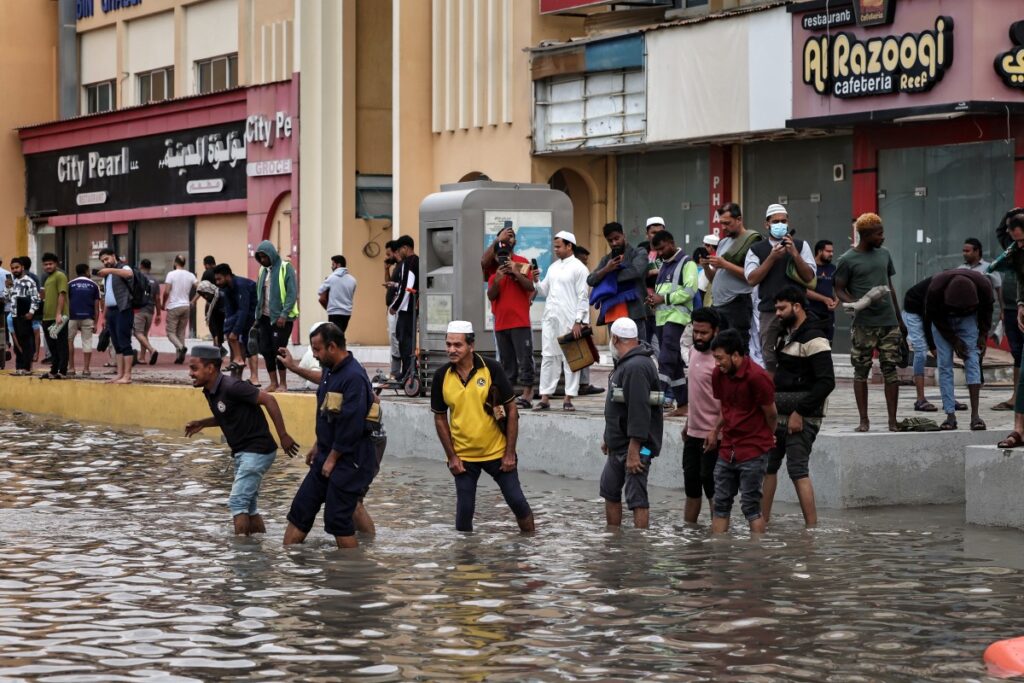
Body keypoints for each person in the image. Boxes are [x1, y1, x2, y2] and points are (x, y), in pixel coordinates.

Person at [276, 327, 387, 535]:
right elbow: (328, 413)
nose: (314, 355)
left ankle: (365, 548)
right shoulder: (331, 370)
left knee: (346, 510)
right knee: (301, 510)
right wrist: (318, 445)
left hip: (355, 451)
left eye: (317, 349)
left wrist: (333, 457)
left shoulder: (354, 376)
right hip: (329, 449)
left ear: (332, 347)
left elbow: (351, 425)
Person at [431, 320, 534, 533]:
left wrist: (510, 453)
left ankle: (530, 545)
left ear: (471, 345)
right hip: (464, 457)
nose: (451, 350)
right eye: (448, 344)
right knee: (464, 514)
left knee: (518, 503)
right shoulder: (441, 376)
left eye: (457, 345)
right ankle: (465, 554)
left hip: (497, 452)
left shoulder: (491, 368)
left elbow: (512, 410)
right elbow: (440, 418)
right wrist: (452, 457)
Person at [185, 346, 299, 535]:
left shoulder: (232, 386)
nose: (190, 374)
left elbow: (269, 400)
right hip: (244, 452)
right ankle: (256, 544)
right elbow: (227, 414)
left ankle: (240, 551)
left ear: (210, 368)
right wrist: (203, 423)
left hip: (256, 450)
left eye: (194, 368)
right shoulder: (210, 390)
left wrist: (283, 435)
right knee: (249, 505)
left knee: (237, 502)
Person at [762, 286, 835, 528]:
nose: (777, 313)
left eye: (781, 308)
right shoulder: (784, 334)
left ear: (797, 306)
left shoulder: (815, 338)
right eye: (776, 308)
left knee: (797, 469)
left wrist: (799, 412)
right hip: (779, 415)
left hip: (802, 417)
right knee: (768, 466)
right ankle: (760, 524)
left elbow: (827, 382)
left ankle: (811, 530)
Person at [834, 213, 907, 432]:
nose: (882, 237)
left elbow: (889, 286)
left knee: (890, 370)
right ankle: (863, 420)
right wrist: (856, 303)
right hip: (863, 323)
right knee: (861, 371)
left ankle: (892, 421)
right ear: (865, 235)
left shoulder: (885, 254)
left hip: (888, 322)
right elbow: (839, 288)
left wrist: (899, 319)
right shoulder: (847, 259)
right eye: (878, 234)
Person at [705, 329, 776, 535]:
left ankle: (757, 550)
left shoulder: (757, 377)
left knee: (751, 506)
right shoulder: (719, 374)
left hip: (753, 450)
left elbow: (771, 414)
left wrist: (767, 436)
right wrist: (715, 429)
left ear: (736, 355)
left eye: (720, 358)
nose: (717, 363)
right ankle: (718, 549)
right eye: (715, 358)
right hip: (728, 448)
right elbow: (727, 407)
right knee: (720, 503)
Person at [600, 317, 662, 529]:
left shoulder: (636, 367)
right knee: (609, 490)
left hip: (638, 447)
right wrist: (608, 437)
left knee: (636, 497)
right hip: (618, 443)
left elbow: (639, 410)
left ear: (615, 338)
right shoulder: (626, 363)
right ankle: (614, 541)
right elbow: (619, 405)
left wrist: (635, 450)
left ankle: (639, 545)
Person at [744, 204, 816, 374]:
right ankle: (772, 388)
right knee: (768, 355)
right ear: (767, 224)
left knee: (801, 351)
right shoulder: (756, 249)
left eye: (783, 221)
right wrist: (772, 258)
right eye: (775, 221)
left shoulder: (801, 245)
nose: (780, 225)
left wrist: (795, 254)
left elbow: (809, 276)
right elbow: (751, 279)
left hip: (798, 310)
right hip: (770, 310)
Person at [924, 270, 993, 432]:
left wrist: (983, 335)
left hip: (969, 319)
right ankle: (950, 415)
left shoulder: (984, 286)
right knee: (944, 364)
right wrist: (953, 340)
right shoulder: (935, 290)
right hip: (942, 319)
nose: (959, 313)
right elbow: (932, 317)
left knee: (973, 359)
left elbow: (987, 311)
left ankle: (975, 416)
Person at [533, 231, 590, 412]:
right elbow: (544, 291)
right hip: (551, 319)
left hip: (570, 320)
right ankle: (545, 397)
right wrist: (536, 280)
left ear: (569, 246)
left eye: (558, 246)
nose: (555, 250)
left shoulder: (579, 268)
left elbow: (583, 296)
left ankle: (568, 398)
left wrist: (579, 321)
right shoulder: (553, 267)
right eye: (555, 246)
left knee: (571, 358)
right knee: (548, 357)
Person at [487, 234, 537, 408]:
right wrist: (498, 280)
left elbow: (530, 287)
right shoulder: (494, 275)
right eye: (500, 256)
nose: (503, 259)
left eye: (506, 255)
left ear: (511, 254)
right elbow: (491, 296)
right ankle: (509, 395)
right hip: (502, 324)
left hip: (520, 322)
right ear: (495, 257)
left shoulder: (521, 266)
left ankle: (528, 393)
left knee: (525, 359)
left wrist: (515, 272)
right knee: (507, 362)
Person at [682, 307, 721, 524]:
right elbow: (696, 394)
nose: (698, 337)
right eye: (695, 331)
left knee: (712, 487)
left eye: (703, 333)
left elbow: (728, 402)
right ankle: (690, 534)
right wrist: (688, 423)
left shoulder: (720, 361)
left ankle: (719, 534)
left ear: (715, 331)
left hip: (715, 437)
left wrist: (716, 431)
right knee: (691, 486)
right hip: (693, 434)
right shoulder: (693, 352)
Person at [706, 203, 759, 348]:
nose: (723, 227)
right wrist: (705, 266)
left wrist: (725, 264)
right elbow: (714, 278)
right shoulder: (723, 242)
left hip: (737, 303)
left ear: (739, 219)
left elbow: (752, 277)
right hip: (718, 303)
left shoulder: (751, 240)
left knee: (738, 347)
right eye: (721, 223)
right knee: (720, 348)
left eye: (727, 223)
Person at [587, 222, 649, 340]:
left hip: (634, 312)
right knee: (616, 350)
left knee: (638, 347)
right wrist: (606, 269)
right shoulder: (606, 260)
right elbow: (590, 280)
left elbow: (636, 272)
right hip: (612, 313)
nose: (614, 243)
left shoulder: (639, 252)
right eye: (610, 241)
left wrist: (608, 277)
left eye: (617, 238)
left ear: (623, 235)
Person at [254, 240, 299, 393]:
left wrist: (284, 314)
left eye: (264, 257)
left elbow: (292, 293)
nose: (262, 260)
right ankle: (273, 383)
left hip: (281, 319)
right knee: (266, 350)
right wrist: (257, 315)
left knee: (279, 350)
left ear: (271, 254)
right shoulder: (263, 270)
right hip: (264, 317)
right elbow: (259, 293)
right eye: (260, 257)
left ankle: (283, 384)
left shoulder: (286, 268)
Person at [993, 209, 1024, 411]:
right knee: (1017, 353)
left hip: (1021, 306)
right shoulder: (1012, 249)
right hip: (1012, 307)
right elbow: (1000, 232)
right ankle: (1016, 397)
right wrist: (1009, 214)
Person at [213, 263, 259, 386]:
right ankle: (237, 362)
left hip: (252, 314)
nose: (217, 282)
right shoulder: (226, 288)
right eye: (216, 280)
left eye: (219, 279)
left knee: (248, 344)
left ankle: (253, 376)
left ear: (227, 276)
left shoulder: (241, 285)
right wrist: (229, 330)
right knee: (229, 330)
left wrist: (235, 331)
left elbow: (244, 310)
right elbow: (229, 311)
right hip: (241, 313)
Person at [95, 248, 136, 384]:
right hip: (111, 311)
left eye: (107, 259)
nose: (105, 262)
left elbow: (129, 274)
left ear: (114, 256)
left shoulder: (123, 267)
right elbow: (108, 295)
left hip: (123, 309)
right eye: (103, 261)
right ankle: (120, 374)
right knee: (116, 343)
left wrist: (109, 270)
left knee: (124, 343)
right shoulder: (108, 275)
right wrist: (104, 316)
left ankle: (127, 375)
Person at [902, 276, 939, 413]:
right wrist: (932, 347)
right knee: (921, 352)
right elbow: (926, 320)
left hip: (930, 313)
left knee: (944, 351)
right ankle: (920, 399)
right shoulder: (933, 290)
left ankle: (949, 397)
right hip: (913, 311)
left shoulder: (954, 290)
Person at [390, 235, 419, 382]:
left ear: (405, 248)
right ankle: (407, 371)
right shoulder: (415, 261)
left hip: (407, 309)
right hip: (409, 308)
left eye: (399, 249)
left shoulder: (409, 262)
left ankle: (408, 372)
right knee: (405, 340)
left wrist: (395, 306)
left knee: (405, 341)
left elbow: (407, 288)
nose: (398, 253)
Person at [5, 257, 41, 375]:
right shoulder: (13, 282)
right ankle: (19, 367)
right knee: (18, 343)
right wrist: (8, 288)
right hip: (14, 315)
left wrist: (31, 312)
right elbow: (8, 298)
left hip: (25, 315)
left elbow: (36, 298)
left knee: (26, 342)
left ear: (22, 267)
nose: (14, 270)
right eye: (12, 268)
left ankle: (27, 368)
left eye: (17, 267)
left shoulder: (29, 281)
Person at [66, 264, 101, 378]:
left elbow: (66, 302)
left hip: (72, 317)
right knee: (87, 342)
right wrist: (96, 323)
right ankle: (86, 369)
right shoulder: (94, 285)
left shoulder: (70, 284)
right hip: (88, 317)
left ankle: (71, 368)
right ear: (86, 271)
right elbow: (96, 307)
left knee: (69, 341)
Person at [162, 255, 197, 364]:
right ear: (184, 263)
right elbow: (201, 288)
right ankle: (179, 357)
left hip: (174, 306)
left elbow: (166, 291)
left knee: (170, 332)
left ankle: (181, 347)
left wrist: (163, 304)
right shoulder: (190, 275)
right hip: (186, 306)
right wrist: (193, 301)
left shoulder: (171, 274)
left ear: (175, 263)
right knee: (181, 332)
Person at [40, 253, 69, 379]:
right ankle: (53, 371)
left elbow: (62, 294)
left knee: (61, 345)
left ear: (56, 264)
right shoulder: (48, 278)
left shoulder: (60, 275)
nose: (48, 266)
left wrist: (58, 314)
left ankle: (62, 372)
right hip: (47, 317)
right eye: (45, 264)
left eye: (50, 264)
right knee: (52, 346)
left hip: (59, 317)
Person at [639, 217, 666, 349]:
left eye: (660, 232)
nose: (657, 236)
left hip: (663, 303)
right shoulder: (641, 250)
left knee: (663, 342)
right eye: (653, 232)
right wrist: (651, 272)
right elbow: (636, 272)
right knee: (644, 342)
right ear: (647, 234)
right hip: (643, 303)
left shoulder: (669, 251)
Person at [806, 240, 838, 340]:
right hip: (811, 312)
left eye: (832, 251)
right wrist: (824, 299)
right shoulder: (809, 268)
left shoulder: (833, 268)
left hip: (828, 315)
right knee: (812, 342)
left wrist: (836, 302)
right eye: (828, 251)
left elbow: (839, 289)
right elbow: (803, 290)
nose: (831, 254)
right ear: (819, 251)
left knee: (827, 343)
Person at [318, 255, 357, 333]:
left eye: (333, 264)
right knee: (340, 333)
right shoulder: (353, 280)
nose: (331, 267)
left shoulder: (331, 278)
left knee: (334, 336)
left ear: (338, 265)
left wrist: (328, 307)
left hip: (334, 312)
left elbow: (320, 292)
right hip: (347, 313)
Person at [133, 259, 161, 365]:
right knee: (144, 334)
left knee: (137, 332)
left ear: (141, 266)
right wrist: (158, 313)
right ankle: (142, 358)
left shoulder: (137, 278)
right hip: (150, 310)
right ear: (150, 267)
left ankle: (151, 350)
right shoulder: (155, 281)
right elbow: (157, 298)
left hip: (139, 309)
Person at [383, 240, 403, 379]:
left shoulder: (403, 266)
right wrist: (386, 269)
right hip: (392, 306)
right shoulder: (396, 267)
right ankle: (395, 370)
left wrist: (394, 285)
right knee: (392, 337)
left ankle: (396, 371)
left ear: (396, 252)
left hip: (397, 308)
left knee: (395, 337)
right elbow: (388, 283)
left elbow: (403, 286)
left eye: (389, 254)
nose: (387, 257)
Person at [198, 255, 225, 349]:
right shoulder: (221, 271)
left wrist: (193, 301)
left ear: (206, 264)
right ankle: (219, 344)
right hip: (223, 303)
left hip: (211, 303)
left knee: (212, 324)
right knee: (220, 325)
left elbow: (201, 288)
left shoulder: (207, 273)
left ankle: (216, 344)